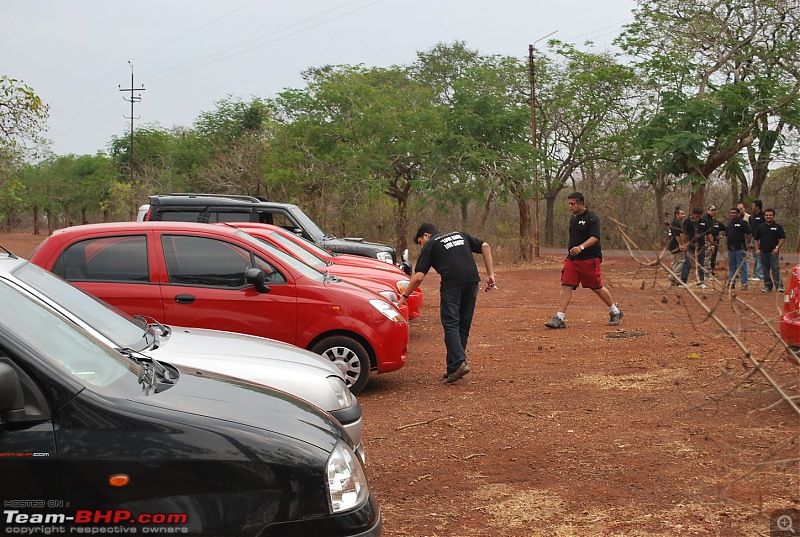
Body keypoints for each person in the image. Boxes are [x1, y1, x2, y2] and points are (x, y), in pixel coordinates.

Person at [399, 223, 495, 384]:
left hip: (452, 285)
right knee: (462, 326)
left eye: (420, 241)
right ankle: (453, 367)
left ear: (426, 235)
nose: (421, 245)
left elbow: (419, 277)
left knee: (451, 324)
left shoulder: (430, 244)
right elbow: (485, 246)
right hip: (472, 282)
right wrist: (490, 274)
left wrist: (404, 297)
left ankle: (458, 363)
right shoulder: (459, 234)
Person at [544, 192, 623, 329]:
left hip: (589, 259)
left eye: (573, 204)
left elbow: (595, 237)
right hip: (572, 260)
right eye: (569, 203)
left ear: (581, 203)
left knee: (596, 287)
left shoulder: (592, 218)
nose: (570, 206)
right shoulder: (573, 219)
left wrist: (581, 247)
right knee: (566, 285)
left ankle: (615, 311)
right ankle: (559, 317)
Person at [753, 208, 786, 293]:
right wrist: (757, 249)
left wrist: (777, 247)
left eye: (770, 215)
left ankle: (779, 286)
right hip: (763, 252)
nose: (768, 217)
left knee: (775, 269)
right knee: (765, 270)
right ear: (764, 216)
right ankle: (768, 286)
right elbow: (756, 239)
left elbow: (782, 238)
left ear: (773, 216)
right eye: (767, 215)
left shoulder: (777, 226)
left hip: (773, 252)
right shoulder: (760, 227)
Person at [680, 207, 708, 288]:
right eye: (696, 215)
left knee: (700, 264)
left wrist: (712, 244)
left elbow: (708, 233)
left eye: (699, 215)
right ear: (693, 214)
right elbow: (682, 234)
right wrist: (684, 244)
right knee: (687, 263)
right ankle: (683, 281)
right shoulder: (688, 221)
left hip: (701, 246)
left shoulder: (704, 221)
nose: (698, 217)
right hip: (690, 246)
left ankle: (701, 282)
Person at [724, 207, 751, 290]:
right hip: (731, 249)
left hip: (740, 248)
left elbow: (749, 233)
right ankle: (731, 282)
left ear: (738, 214)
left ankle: (744, 283)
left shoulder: (743, 223)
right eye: (731, 213)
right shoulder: (729, 224)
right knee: (732, 267)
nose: (732, 214)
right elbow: (727, 235)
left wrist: (748, 244)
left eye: (734, 212)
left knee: (741, 266)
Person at [667, 206, 686, 286]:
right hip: (675, 245)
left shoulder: (675, 223)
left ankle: (673, 282)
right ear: (677, 215)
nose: (684, 215)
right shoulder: (676, 223)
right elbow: (677, 235)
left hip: (671, 245)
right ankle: (672, 276)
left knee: (675, 263)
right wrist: (681, 245)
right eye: (682, 214)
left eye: (684, 213)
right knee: (683, 261)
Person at [703, 205, 722, 278]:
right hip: (707, 239)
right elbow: (706, 231)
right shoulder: (705, 218)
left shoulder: (712, 219)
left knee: (711, 256)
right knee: (707, 256)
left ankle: (709, 272)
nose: (713, 212)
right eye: (712, 210)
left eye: (714, 210)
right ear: (708, 210)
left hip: (713, 238)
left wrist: (720, 236)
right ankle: (706, 273)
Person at [749, 200, 764, 281]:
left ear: (757, 207)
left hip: (761, 239)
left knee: (760, 257)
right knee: (755, 257)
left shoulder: (763, 215)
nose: (752, 207)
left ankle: (759, 275)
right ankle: (755, 275)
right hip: (753, 238)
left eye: (753, 205)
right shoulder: (752, 216)